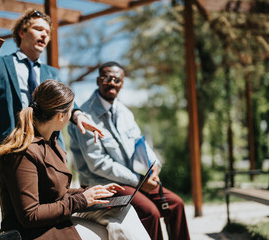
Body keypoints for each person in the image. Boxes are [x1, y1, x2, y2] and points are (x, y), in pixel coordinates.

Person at [0, 79, 150, 240]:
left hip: (54, 220)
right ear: (61, 116)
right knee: (108, 232)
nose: (72, 117)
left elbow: (57, 192)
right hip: (33, 232)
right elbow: (30, 216)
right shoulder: (22, 152)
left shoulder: (51, 142)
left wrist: (92, 191)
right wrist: (82, 200)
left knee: (124, 214)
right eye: (71, 111)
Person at [68, 61, 190, 240]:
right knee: (150, 212)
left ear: (122, 84)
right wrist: (139, 180)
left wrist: (153, 166)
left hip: (130, 180)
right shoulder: (85, 116)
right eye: (106, 78)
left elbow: (139, 142)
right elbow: (98, 164)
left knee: (176, 204)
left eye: (117, 80)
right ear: (98, 80)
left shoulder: (125, 112)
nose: (112, 82)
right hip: (102, 183)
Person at [0, 9, 102, 153]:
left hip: (50, 150)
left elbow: (64, 102)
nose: (44, 35)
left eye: (48, 33)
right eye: (38, 29)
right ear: (21, 32)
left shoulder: (52, 72)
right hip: (11, 151)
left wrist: (78, 115)